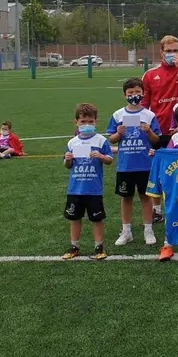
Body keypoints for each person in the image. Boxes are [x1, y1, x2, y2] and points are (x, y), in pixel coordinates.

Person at [107, 77, 161, 247]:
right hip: (126, 165)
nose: (134, 95)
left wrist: (149, 131)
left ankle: (148, 230)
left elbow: (156, 141)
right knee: (126, 198)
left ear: (143, 94)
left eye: (137, 92)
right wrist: (119, 133)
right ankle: (126, 231)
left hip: (145, 165)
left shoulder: (149, 115)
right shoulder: (118, 115)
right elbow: (112, 139)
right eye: (130, 93)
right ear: (125, 95)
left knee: (146, 198)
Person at [142, 35, 178, 222]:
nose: (172, 54)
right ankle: (157, 210)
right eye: (168, 51)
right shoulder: (149, 75)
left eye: (175, 51)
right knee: (156, 172)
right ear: (161, 52)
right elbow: (144, 105)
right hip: (158, 131)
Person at [62, 103, 114, 260]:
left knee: (97, 219)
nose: (87, 125)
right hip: (75, 189)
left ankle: (99, 247)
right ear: (76, 122)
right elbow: (67, 165)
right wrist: (67, 159)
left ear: (95, 122)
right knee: (74, 218)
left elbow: (110, 159)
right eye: (83, 122)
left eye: (90, 122)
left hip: (93, 189)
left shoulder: (100, 140)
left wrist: (101, 156)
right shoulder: (72, 142)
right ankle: (74, 246)